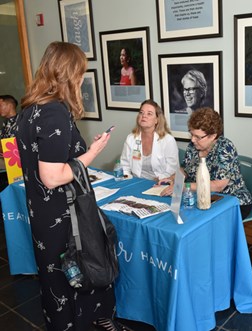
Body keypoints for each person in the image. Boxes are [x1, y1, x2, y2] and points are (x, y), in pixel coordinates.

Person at [16, 42, 124, 331]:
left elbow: (47, 163)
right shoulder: (55, 113)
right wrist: (93, 153)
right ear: (70, 73)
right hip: (63, 214)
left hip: (41, 211)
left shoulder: (29, 109)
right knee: (78, 270)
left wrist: (80, 153)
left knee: (54, 276)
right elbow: (52, 176)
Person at [159, 107, 252, 219]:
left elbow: (218, 186)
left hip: (231, 200)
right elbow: (185, 169)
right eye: (191, 134)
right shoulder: (193, 146)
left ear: (213, 136)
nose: (193, 140)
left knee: (197, 221)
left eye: (198, 137)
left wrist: (185, 186)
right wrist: (172, 178)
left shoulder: (225, 148)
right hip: (200, 197)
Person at [120, 99, 178, 180]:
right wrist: (127, 180)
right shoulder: (131, 138)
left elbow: (172, 170)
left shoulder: (168, 140)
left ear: (156, 120)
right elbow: (125, 166)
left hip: (160, 183)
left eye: (149, 114)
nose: (144, 116)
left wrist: (159, 179)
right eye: (141, 112)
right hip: (135, 181)